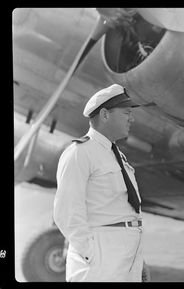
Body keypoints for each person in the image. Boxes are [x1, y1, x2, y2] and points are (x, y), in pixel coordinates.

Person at [54, 84, 145, 282]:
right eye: (126, 112)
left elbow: (126, 211)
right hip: (100, 259)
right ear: (105, 115)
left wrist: (138, 261)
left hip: (126, 256)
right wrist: (92, 254)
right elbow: (67, 212)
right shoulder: (79, 153)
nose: (132, 118)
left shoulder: (117, 155)